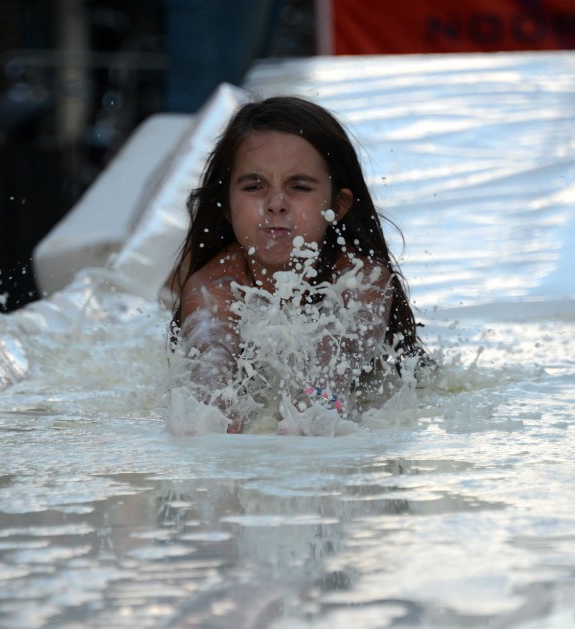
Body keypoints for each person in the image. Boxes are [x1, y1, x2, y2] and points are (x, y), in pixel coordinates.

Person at [168, 96, 425, 436]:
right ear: (227, 207)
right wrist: (212, 413)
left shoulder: (361, 278)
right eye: (253, 186)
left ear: (338, 204)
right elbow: (210, 360)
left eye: (299, 187)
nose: (275, 204)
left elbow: (339, 352)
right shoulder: (212, 287)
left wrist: (314, 406)